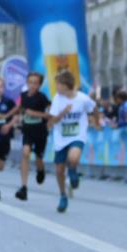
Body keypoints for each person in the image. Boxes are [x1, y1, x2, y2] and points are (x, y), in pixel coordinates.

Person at [47, 69, 97, 212]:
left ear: (65, 85)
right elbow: (53, 120)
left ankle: (73, 171)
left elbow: (93, 108)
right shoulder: (57, 99)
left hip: (77, 135)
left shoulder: (82, 98)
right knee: (59, 169)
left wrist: (97, 122)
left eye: (58, 84)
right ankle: (63, 195)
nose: (56, 87)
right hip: (61, 137)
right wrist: (64, 112)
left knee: (73, 157)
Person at [14, 72, 51, 201]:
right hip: (28, 131)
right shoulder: (23, 96)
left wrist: (34, 113)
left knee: (38, 158)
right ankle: (23, 187)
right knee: (25, 153)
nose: (33, 85)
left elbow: (49, 115)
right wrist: (17, 119)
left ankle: (40, 170)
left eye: (35, 83)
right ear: (27, 83)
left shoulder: (43, 98)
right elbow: (19, 110)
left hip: (40, 132)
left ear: (40, 84)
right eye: (30, 82)